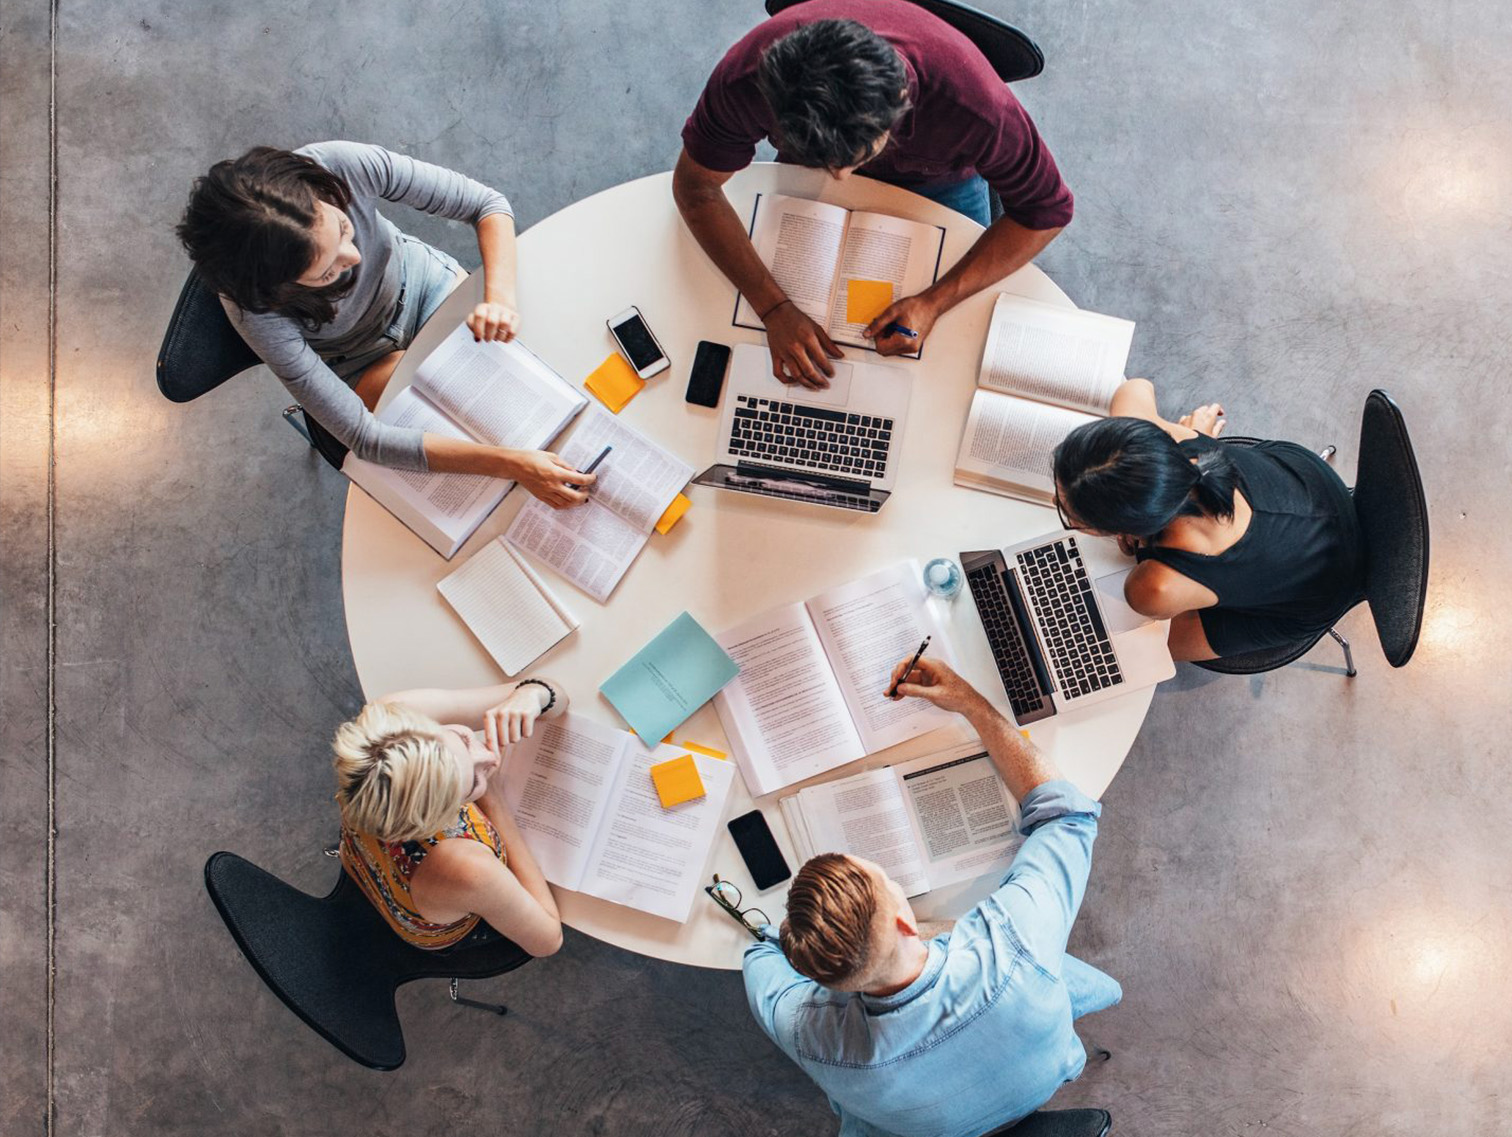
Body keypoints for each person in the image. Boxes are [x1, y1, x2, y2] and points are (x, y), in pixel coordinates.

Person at [743, 656, 1120, 1137]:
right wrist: (970, 703)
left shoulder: (809, 1035)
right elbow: (1067, 815)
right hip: (1044, 1075)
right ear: (904, 922)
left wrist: (788, 940)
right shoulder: (1013, 947)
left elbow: (759, 958)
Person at [673, 1, 1073, 387]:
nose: (842, 179)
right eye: (828, 162)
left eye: (855, 157)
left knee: (951, 349)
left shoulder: (977, 109)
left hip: (942, 180)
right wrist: (773, 307)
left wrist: (934, 301)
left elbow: (1047, 212)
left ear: (901, 102)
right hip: (806, 170)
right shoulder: (746, 77)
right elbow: (696, 188)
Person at [177, 141, 593, 508]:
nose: (354, 257)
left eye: (343, 227)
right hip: (356, 360)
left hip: (426, 287)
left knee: (537, 376)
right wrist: (512, 466)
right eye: (326, 272)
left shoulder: (339, 164)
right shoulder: (254, 310)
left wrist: (499, 299)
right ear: (278, 288)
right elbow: (366, 438)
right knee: (479, 443)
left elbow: (487, 205)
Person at [1051, 379, 1366, 661]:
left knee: (1138, 650)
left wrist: (1141, 544)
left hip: (1319, 591)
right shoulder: (1172, 443)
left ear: (1121, 529)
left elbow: (1149, 590)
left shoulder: (1152, 588)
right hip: (1314, 488)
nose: (1054, 501)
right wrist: (1195, 436)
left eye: (1070, 516)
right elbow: (1135, 388)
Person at [332, 677, 567, 956]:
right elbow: (548, 940)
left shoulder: (394, 719)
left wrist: (532, 696)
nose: (489, 758)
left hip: (363, 857)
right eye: (473, 783)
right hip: (434, 920)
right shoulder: (468, 867)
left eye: (464, 738)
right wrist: (493, 800)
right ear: (441, 819)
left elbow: (556, 694)